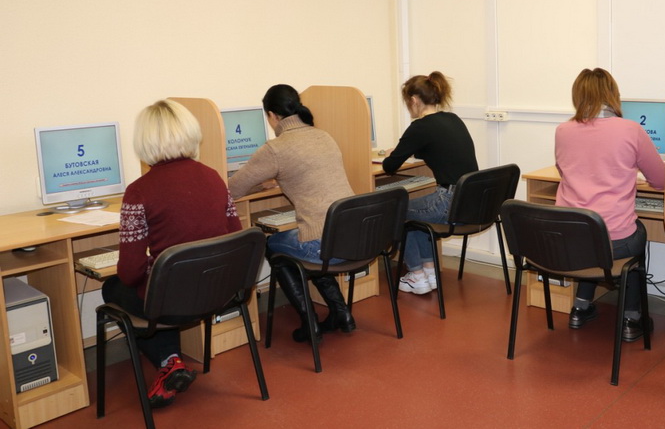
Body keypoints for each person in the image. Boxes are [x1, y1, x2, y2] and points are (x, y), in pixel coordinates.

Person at [102, 99, 242, 408]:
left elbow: (130, 273)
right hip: (217, 294)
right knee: (160, 287)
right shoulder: (214, 177)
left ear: (144, 141)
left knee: (113, 287)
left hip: (171, 304)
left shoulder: (139, 191)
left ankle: (170, 362)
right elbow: (235, 237)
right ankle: (171, 362)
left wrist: (156, 264)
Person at [228, 84, 356, 343]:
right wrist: (272, 179)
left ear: (272, 115)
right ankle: (341, 313)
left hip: (325, 243)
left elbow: (232, 189)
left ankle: (310, 322)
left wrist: (261, 182)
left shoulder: (276, 148)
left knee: (273, 244)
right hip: (355, 236)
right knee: (311, 241)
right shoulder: (323, 135)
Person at [554, 68, 665, 341]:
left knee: (589, 232)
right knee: (634, 235)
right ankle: (631, 319)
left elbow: (564, 170)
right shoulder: (631, 129)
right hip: (616, 242)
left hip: (569, 238)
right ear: (613, 94)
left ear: (577, 96)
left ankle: (580, 309)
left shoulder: (562, 130)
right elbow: (661, 181)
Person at [382, 71, 478, 294]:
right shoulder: (452, 119)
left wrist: (392, 153)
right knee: (416, 213)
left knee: (396, 211)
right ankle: (430, 271)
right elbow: (437, 149)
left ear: (414, 100)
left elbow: (389, 166)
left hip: (447, 203)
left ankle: (416, 275)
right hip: (468, 201)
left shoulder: (420, 127)